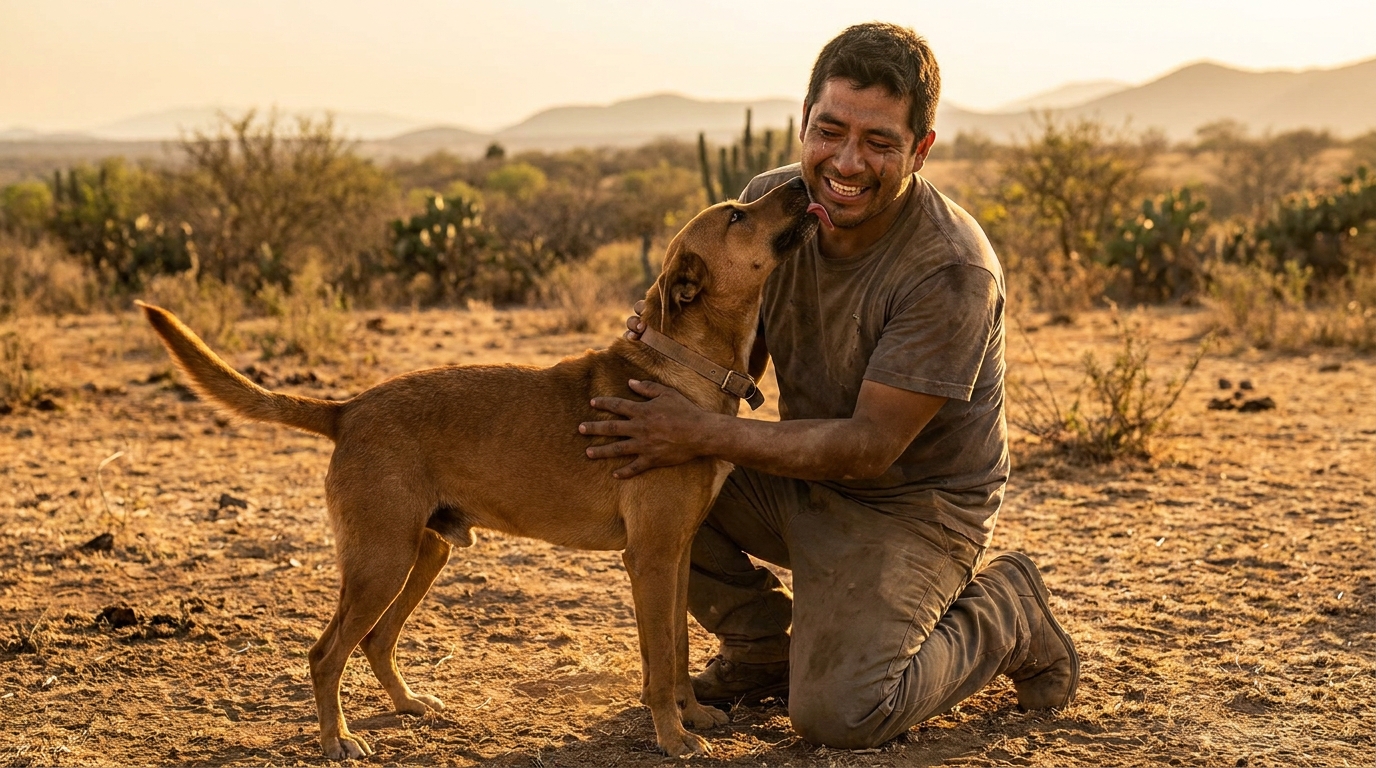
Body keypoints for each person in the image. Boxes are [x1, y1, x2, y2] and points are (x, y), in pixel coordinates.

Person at [577, 22, 1078, 749]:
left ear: (921, 148)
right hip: (801, 472)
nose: (846, 161)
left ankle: (1008, 611)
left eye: (878, 141)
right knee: (644, 462)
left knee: (841, 713)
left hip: (912, 507)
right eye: (829, 129)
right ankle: (760, 647)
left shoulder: (950, 268)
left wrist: (700, 430)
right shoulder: (772, 211)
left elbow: (872, 446)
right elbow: (734, 371)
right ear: (803, 123)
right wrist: (668, 344)